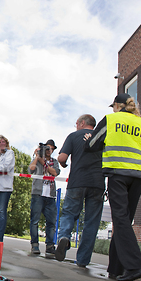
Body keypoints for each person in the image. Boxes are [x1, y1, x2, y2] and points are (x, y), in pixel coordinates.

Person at [84, 93, 141, 281]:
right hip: (138, 177)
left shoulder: (111, 120)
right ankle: (116, 269)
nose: (112, 109)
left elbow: (92, 145)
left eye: (113, 106)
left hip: (118, 174)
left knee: (119, 219)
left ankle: (135, 266)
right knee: (123, 221)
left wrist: (88, 138)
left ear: (118, 106)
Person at [55, 114, 105, 267]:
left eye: (76, 123)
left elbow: (62, 158)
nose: (76, 125)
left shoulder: (73, 136)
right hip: (97, 183)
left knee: (69, 213)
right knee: (91, 221)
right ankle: (83, 260)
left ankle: (64, 237)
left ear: (83, 123)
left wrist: (64, 165)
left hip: (77, 181)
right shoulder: (102, 136)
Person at [29, 139, 60, 258]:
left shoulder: (54, 162)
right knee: (34, 221)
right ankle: (35, 244)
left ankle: (50, 246)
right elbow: (30, 169)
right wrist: (37, 157)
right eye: (47, 148)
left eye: (51, 148)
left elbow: (55, 172)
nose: (49, 150)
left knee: (51, 222)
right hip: (38, 194)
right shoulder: (38, 160)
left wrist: (44, 163)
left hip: (50, 195)